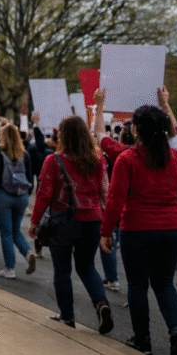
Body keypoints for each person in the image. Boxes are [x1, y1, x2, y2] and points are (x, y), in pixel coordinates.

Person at [100, 103, 177, 355]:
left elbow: (115, 199)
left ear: (136, 130)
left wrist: (106, 231)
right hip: (171, 227)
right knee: (165, 283)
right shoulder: (175, 158)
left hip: (136, 228)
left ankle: (143, 338)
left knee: (137, 284)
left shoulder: (128, 159)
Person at [28, 115, 113, 333]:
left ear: (62, 136)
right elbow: (106, 192)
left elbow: (44, 194)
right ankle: (101, 303)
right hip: (93, 219)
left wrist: (34, 222)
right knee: (86, 266)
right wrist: (109, 224)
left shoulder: (54, 160)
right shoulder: (98, 159)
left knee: (62, 270)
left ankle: (67, 315)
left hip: (63, 221)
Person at [0, 123, 35, 279]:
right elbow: (30, 180)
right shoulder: (25, 155)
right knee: (15, 229)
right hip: (21, 196)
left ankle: (10, 268)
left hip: (1, 195)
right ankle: (28, 253)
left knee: (6, 233)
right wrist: (24, 193)